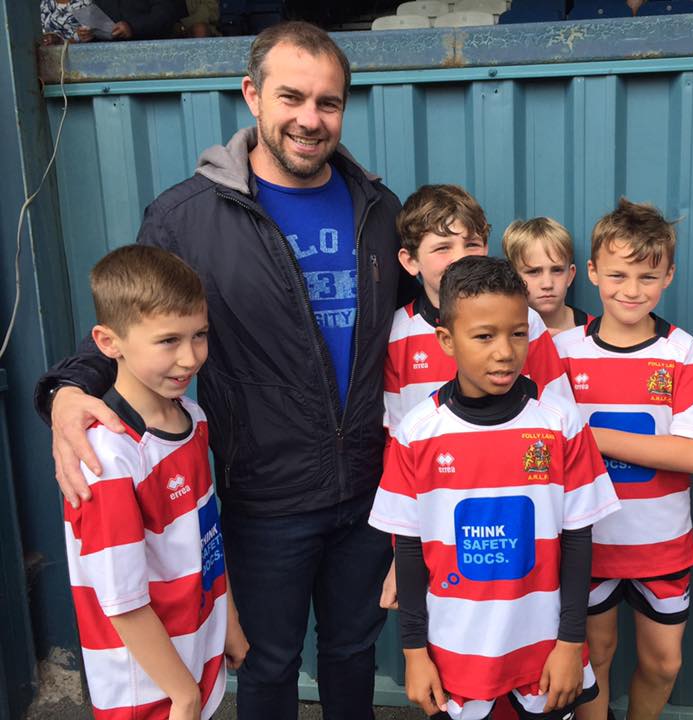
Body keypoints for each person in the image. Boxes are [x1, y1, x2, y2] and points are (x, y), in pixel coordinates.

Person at [36, 21, 417, 720]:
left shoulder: (380, 210)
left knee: (352, 651)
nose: (309, 119)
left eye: (327, 103)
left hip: (367, 490)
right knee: (267, 662)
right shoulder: (188, 217)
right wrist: (66, 388)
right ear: (252, 95)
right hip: (264, 496)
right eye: (292, 98)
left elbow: (434, 326)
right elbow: (134, 330)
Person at [370, 256, 621, 720]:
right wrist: (413, 652)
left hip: (543, 647)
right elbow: (407, 550)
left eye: (518, 333)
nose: (505, 351)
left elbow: (578, 540)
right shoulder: (417, 432)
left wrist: (570, 642)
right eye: (484, 336)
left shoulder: (560, 423)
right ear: (446, 340)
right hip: (454, 652)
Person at [65, 245, 248, 720]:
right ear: (109, 342)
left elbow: (207, 537)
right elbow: (122, 601)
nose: (190, 358)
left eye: (200, 335)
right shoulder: (109, 457)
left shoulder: (193, 417)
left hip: (195, 655)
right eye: (168, 341)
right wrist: (183, 695)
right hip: (148, 690)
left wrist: (227, 621)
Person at [552, 200, 693, 720]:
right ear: (594, 272)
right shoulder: (564, 351)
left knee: (663, 663)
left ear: (668, 275)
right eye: (617, 274)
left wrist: (592, 433)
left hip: (661, 544)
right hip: (588, 543)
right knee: (594, 658)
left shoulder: (681, 351)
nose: (631, 289)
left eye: (648, 276)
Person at [383, 185, 573, 445]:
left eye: (471, 244)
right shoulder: (396, 333)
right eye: (442, 248)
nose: (461, 258)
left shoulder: (527, 321)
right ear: (410, 261)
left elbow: (560, 415)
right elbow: (397, 437)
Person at [502, 217, 592, 335]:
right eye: (533, 272)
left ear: (570, 276)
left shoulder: (596, 332)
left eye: (557, 270)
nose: (547, 284)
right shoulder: (502, 335)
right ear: (513, 276)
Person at [75, 0, 187, 41]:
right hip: (113, 62)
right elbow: (100, 20)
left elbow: (165, 14)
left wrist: (132, 27)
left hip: (155, 56)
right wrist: (90, 34)